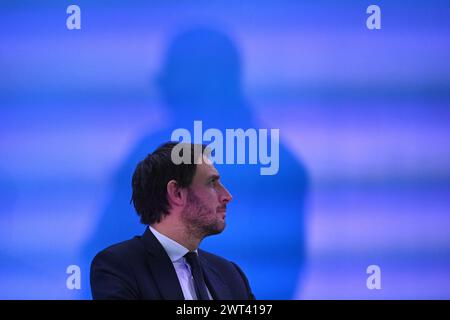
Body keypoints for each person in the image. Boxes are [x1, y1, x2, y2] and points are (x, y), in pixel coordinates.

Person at [90, 142, 255, 300]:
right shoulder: (119, 266)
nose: (227, 196)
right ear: (176, 193)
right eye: (212, 183)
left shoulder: (230, 274)